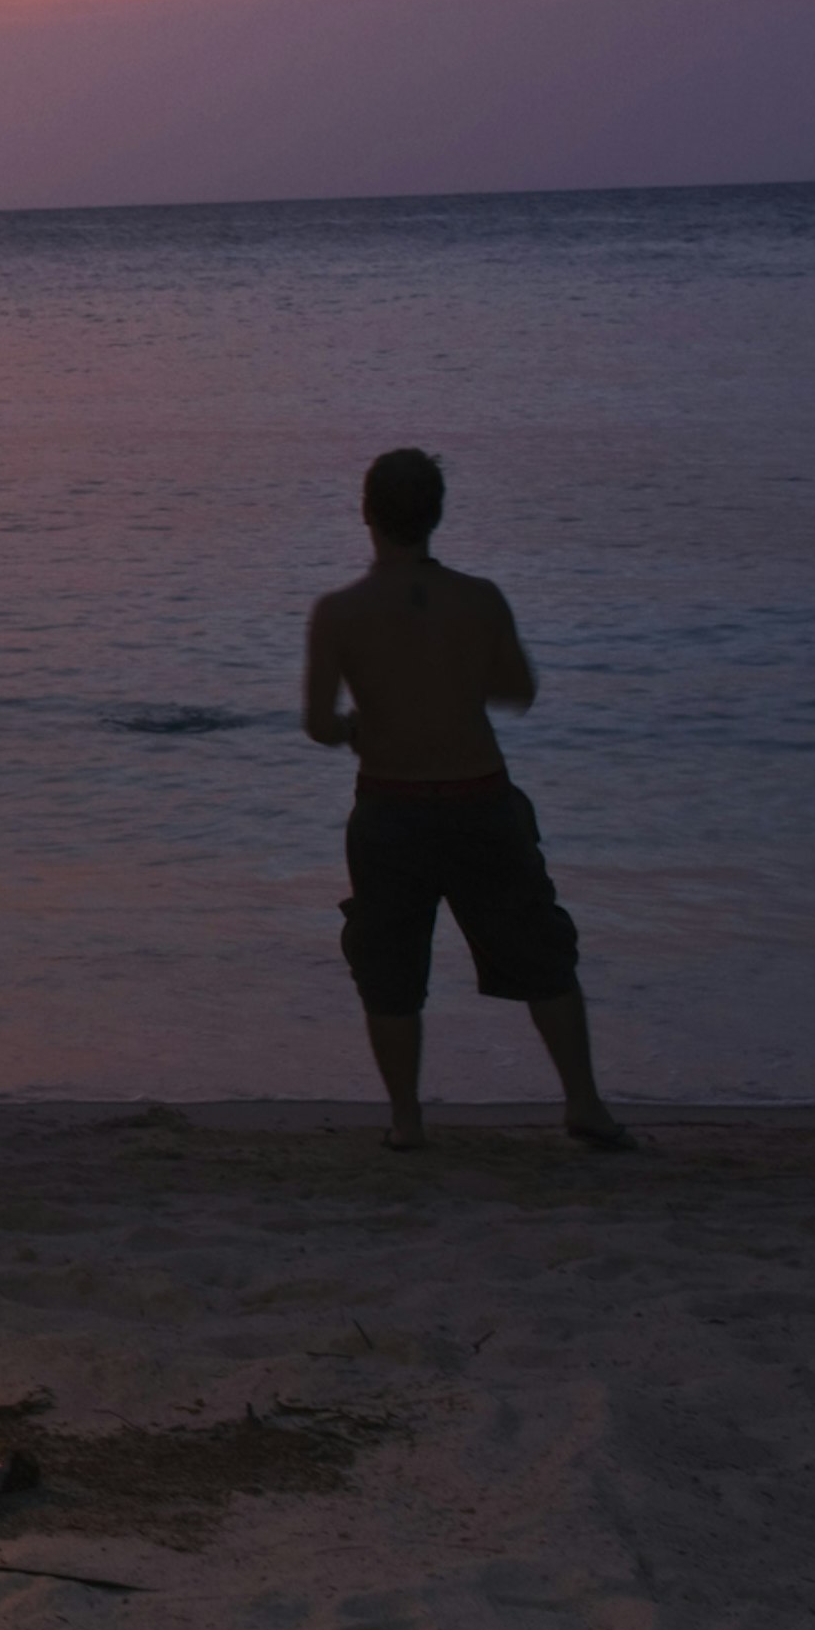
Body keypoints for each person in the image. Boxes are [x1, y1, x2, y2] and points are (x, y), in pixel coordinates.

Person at [302, 448, 633, 1153]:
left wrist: (365, 722)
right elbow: (518, 689)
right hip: (480, 801)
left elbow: (319, 725)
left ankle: (407, 1121)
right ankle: (585, 1104)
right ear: (438, 515)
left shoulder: (339, 612)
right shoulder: (480, 598)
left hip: (390, 809)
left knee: (390, 969)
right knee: (542, 952)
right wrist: (449, 688)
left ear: (367, 515)